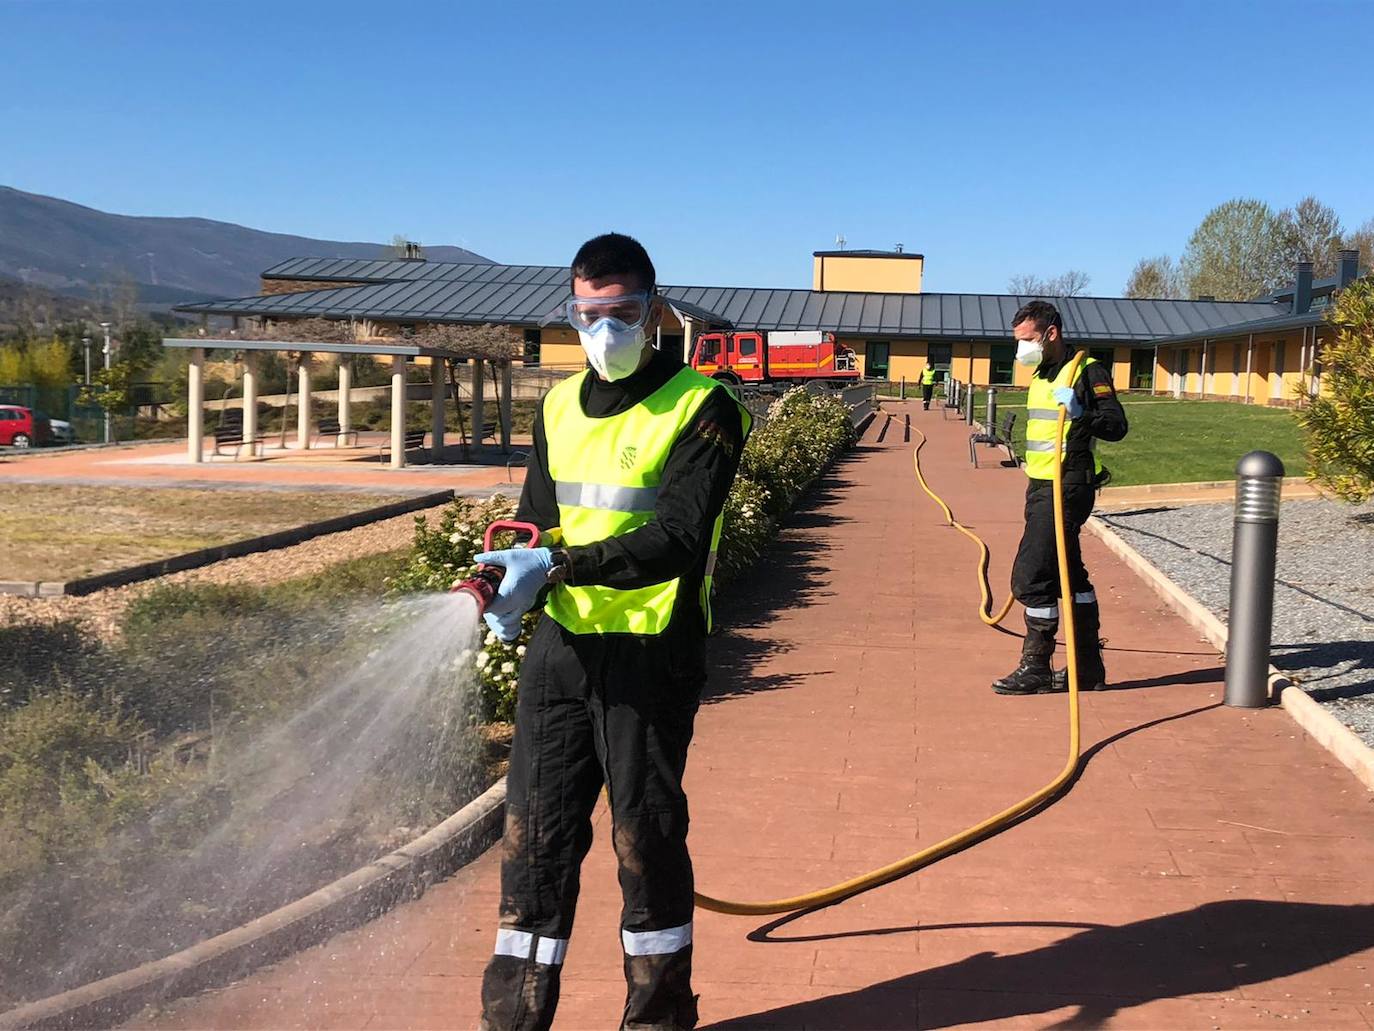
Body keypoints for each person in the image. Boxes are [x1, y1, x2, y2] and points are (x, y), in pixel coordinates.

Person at [474, 233, 749, 1031]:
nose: (605, 330)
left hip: (650, 655)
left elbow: (677, 536)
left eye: (623, 312)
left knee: (645, 840)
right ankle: (514, 1019)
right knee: (534, 841)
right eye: (587, 314)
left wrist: (557, 570)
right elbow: (537, 517)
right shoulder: (557, 405)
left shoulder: (705, 406)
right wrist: (508, 571)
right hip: (562, 653)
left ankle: (658, 1018)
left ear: (654, 309)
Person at [992, 300, 1127, 695]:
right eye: (1018, 342)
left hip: (1067, 485)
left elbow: (1116, 425)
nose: (1022, 350)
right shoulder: (1042, 371)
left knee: (1032, 577)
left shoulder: (1087, 370)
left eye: (1028, 340)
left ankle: (1035, 666)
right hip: (1040, 485)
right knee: (1070, 573)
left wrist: (1082, 412)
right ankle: (1087, 667)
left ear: (1051, 334)